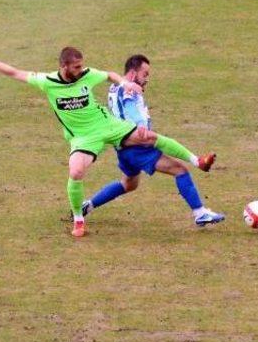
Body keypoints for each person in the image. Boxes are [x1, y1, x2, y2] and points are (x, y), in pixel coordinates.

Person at [0, 43, 216, 237]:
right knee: (75, 172)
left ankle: (197, 160)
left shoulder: (86, 75)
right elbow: (15, 72)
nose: (81, 70)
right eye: (76, 68)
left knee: (149, 138)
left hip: (108, 126)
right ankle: (78, 218)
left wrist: (125, 83)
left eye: (81, 66)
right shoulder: (48, 82)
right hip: (84, 137)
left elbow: (108, 74)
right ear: (63, 66)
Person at [81, 54, 224, 226]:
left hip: (122, 148)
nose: (147, 79)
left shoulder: (114, 87)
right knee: (180, 170)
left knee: (128, 183)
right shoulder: (130, 89)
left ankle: (88, 205)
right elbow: (130, 106)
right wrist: (141, 124)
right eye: (145, 74)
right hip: (137, 146)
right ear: (133, 74)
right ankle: (200, 211)